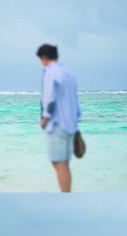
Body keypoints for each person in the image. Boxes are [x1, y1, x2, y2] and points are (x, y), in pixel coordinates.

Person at [36, 44, 81, 192]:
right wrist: (76, 120)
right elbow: (74, 98)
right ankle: (67, 193)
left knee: (58, 162)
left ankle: (65, 196)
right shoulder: (69, 73)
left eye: (41, 59)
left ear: (44, 58)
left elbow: (49, 97)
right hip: (70, 123)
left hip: (57, 123)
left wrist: (45, 118)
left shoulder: (50, 72)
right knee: (65, 163)